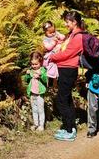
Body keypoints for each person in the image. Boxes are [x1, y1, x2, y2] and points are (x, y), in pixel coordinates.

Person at [50, 11, 83, 141]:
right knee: (67, 99)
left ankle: (69, 131)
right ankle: (70, 127)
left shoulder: (78, 37)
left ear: (74, 22)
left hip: (68, 70)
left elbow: (67, 54)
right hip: (64, 69)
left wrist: (52, 57)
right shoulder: (72, 35)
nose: (65, 24)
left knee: (61, 100)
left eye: (67, 21)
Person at [24, 51, 48, 131]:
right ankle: (35, 124)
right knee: (34, 109)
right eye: (32, 64)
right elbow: (26, 80)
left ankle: (41, 125)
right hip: (32, 93)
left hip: (39, 94)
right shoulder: (30, 70)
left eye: (36, 64)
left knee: (40, 109)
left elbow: (46, 80)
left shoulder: (43, 70)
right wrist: (27, 74)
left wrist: (40, 76)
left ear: (40, 62)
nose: (34, 66)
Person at [42, 21, 65, 86]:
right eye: (50, 33)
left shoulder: (56, 34)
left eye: (53, 32)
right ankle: (50, 82)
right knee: (51, 69)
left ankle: (58, 82)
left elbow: (63, 37)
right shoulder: (45, 39)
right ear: (45, 32)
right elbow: (48, 47)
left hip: (60, 54)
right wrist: (53, 42)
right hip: (51, 55)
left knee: (59, 69)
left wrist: (59, 36)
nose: (52, 34)